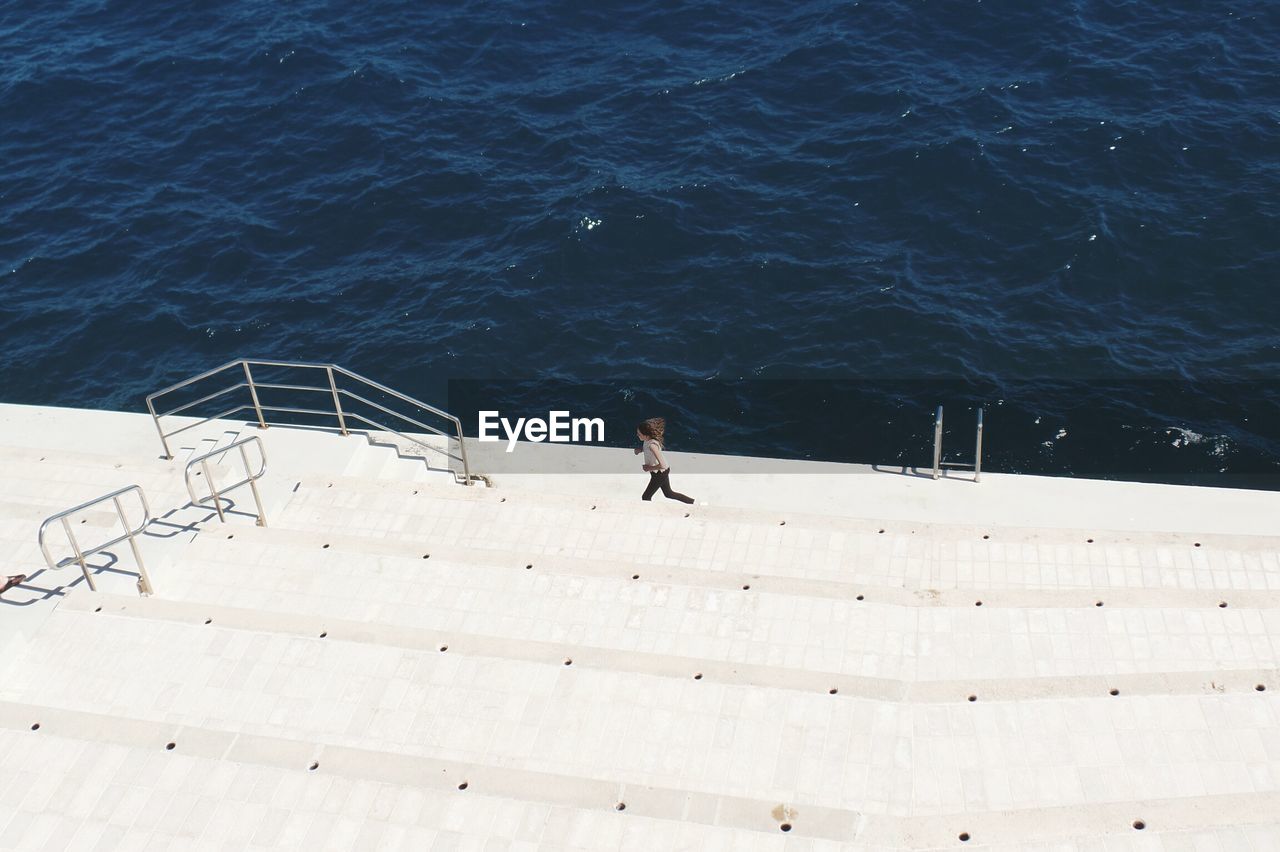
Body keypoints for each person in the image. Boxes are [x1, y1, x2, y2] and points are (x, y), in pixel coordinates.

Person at [634, 418, 694, 504]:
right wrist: (640, 450)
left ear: (646, 435)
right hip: (660, 472)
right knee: (669, 494)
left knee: (646, 497)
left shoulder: (652, 445)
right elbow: (647, 449)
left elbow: (663, 465)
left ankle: (650, 514)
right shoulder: (647, 440)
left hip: (660, 473)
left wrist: (649, 468)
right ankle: (692, 502)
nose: (637, 435)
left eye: (639, 434)